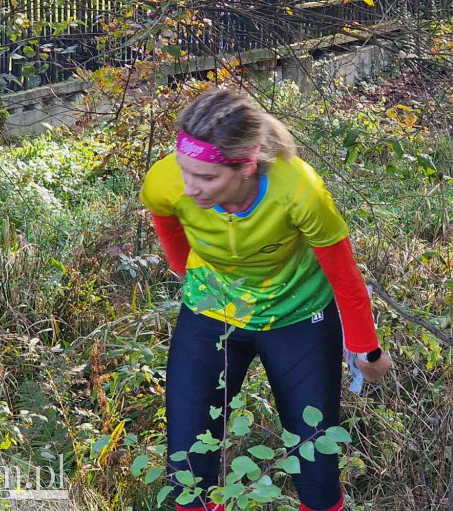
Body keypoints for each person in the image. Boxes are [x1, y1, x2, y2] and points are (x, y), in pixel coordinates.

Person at [139, 88, 393, 511]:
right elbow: (168, 226)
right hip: (212, 311)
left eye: (206, 178)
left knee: (316, 463)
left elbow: (343, 273)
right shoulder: (166, 182)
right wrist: (192, 280)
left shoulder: (299, 189)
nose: (191, 188)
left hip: (297, 316)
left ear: (246, 165)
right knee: (187, 465)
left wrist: (365, 346)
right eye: (186, 172)